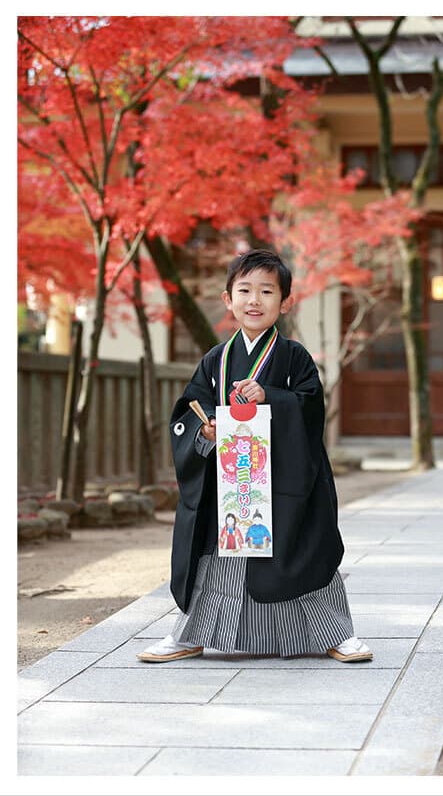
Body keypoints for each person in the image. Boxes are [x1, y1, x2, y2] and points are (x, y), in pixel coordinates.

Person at [137, 249, 372, 664]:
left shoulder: (293, 357)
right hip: (232, 483)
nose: (254, 300)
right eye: (244, 290)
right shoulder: (216, 360)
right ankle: (191, 633)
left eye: (267, 291)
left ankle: (336, 634)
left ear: (285, 303)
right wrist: (206, 430)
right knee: (218, 559)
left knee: (299, 554)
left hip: (283, 482)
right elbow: (191, 409)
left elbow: (310, 407)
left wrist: (273, 399)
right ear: (227, 299)